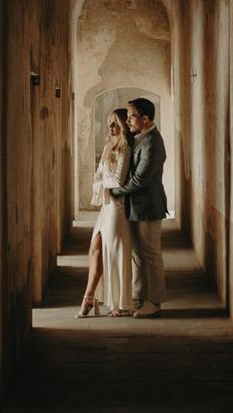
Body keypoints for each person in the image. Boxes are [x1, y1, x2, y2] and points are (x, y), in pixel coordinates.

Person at [110, 97, 167, 317]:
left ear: (145, 118)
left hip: (149, 206)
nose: (128, 120)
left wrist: (115, 191)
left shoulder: (153, 142)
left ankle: (155, 301)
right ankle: (139, 297)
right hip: (137, 206)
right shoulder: (140, 138)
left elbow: (140, 179)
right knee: (136, 254)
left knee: (151, 254)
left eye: (132, 116)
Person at [77, 109, 135, 317]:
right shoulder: (107, 148)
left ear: (124, 126)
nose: (111, 127)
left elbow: (119, 181)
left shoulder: (125, 149)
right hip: (106, 207)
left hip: (117, 208)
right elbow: (98, 176)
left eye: (115, 123)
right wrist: (101, 183)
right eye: (109, 123)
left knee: (114, 254)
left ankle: (119, 304)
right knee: (95, 249)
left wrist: (101, 184)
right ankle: (90, 296)